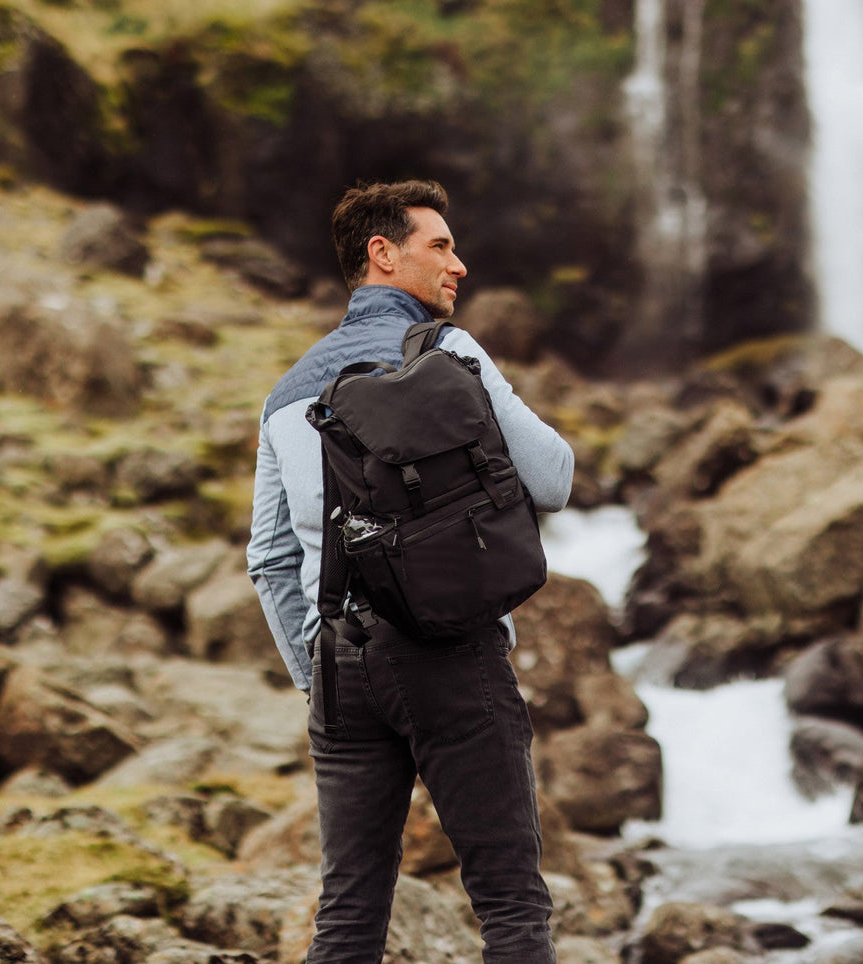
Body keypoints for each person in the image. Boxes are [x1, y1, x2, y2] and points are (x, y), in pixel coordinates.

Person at [246, 179, 573, 963]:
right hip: (451, 652)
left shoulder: (283, 396)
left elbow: (269, 560)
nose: (458, 264)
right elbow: (553, 478)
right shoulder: (447, 351)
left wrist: (316, 673)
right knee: (510, 903)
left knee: (350, 914)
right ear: (381, 253)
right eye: (440, 246)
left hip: (342, 666)